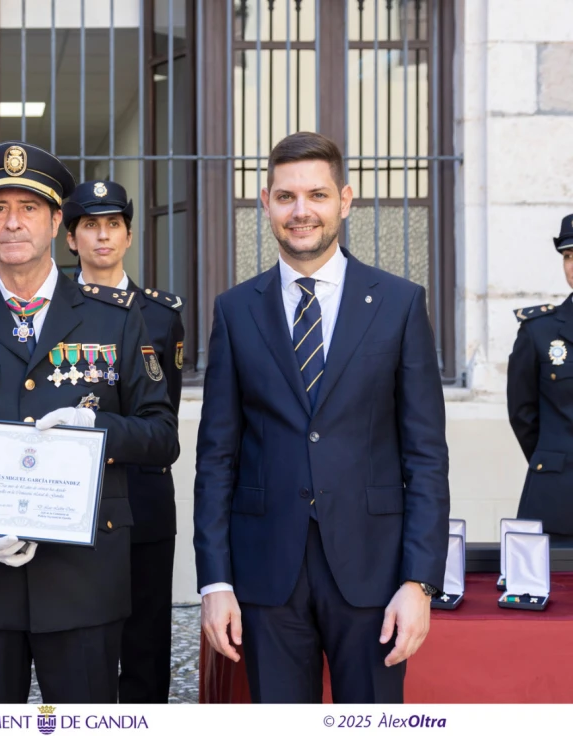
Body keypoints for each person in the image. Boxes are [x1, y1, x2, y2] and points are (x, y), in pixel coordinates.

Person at [0, 141, 180, 704]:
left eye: (28, 208)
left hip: (84, 582)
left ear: (56, 223)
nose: (12, 222)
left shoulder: (114, 318)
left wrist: (95, 430)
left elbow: (161, 435)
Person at [193, 132, 450, 703]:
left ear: (345, 200)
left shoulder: (400, 304)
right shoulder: (235, 310)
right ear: (266, 203)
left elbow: (426, 456)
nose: (301, 211)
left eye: (317, 195)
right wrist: (214, 580)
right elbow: (216, 458)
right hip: (266, 574)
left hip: (374, 572)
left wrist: (419, 581)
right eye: (286, 197)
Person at [62, 179, 185, 703]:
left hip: (142, 496)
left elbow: (161, 416)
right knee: (77, 648)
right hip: (75, 497)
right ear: (71, 239)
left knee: (146, 648)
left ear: (130, 235)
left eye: (113, 224)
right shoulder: (53, 308)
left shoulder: (161, 314)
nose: (103, 236)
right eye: (90, 225)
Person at [507, 213, 573, 545]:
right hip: (558, 500)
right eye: (568, 256)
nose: (572, 265)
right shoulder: (539, 331)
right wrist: (553, 461)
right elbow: (522, 413)